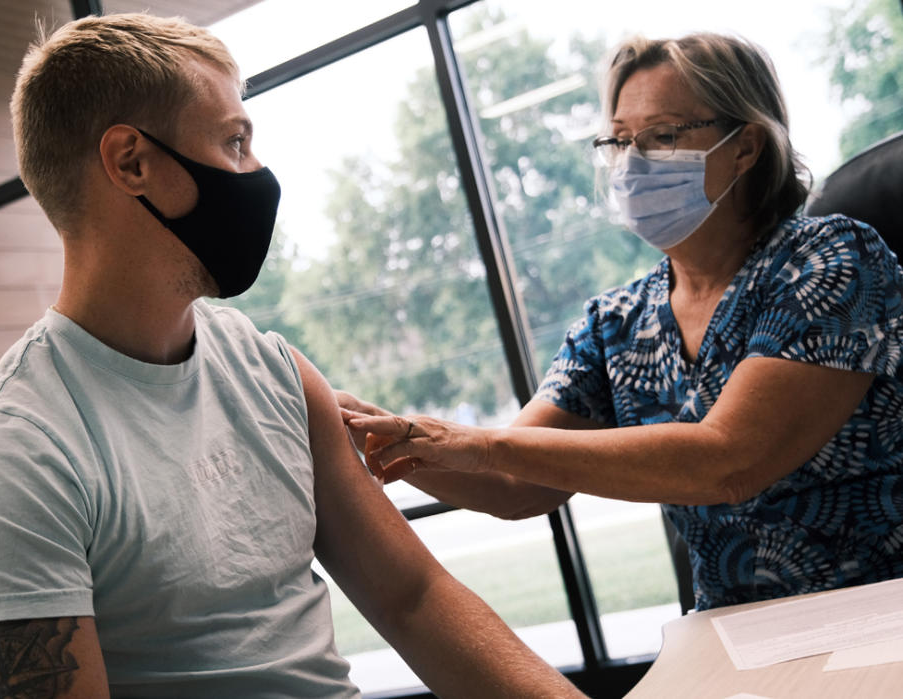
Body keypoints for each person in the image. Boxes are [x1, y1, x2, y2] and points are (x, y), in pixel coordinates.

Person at [0, 13, 584, 699]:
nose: (257, 174)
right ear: (131, 162)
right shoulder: (7, 453)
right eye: (234, 142)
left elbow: (412, 598)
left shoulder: (274, 373)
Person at [341, 32, 903, 612]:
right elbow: (515, 483)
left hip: (880, 612)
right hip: (733, 631)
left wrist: (481, 444)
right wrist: (376, 431)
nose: (631, 166)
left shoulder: (831, 260)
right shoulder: (614, 324)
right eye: (618, 141)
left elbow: (730, 460)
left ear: (746, 146)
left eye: (662, 137)